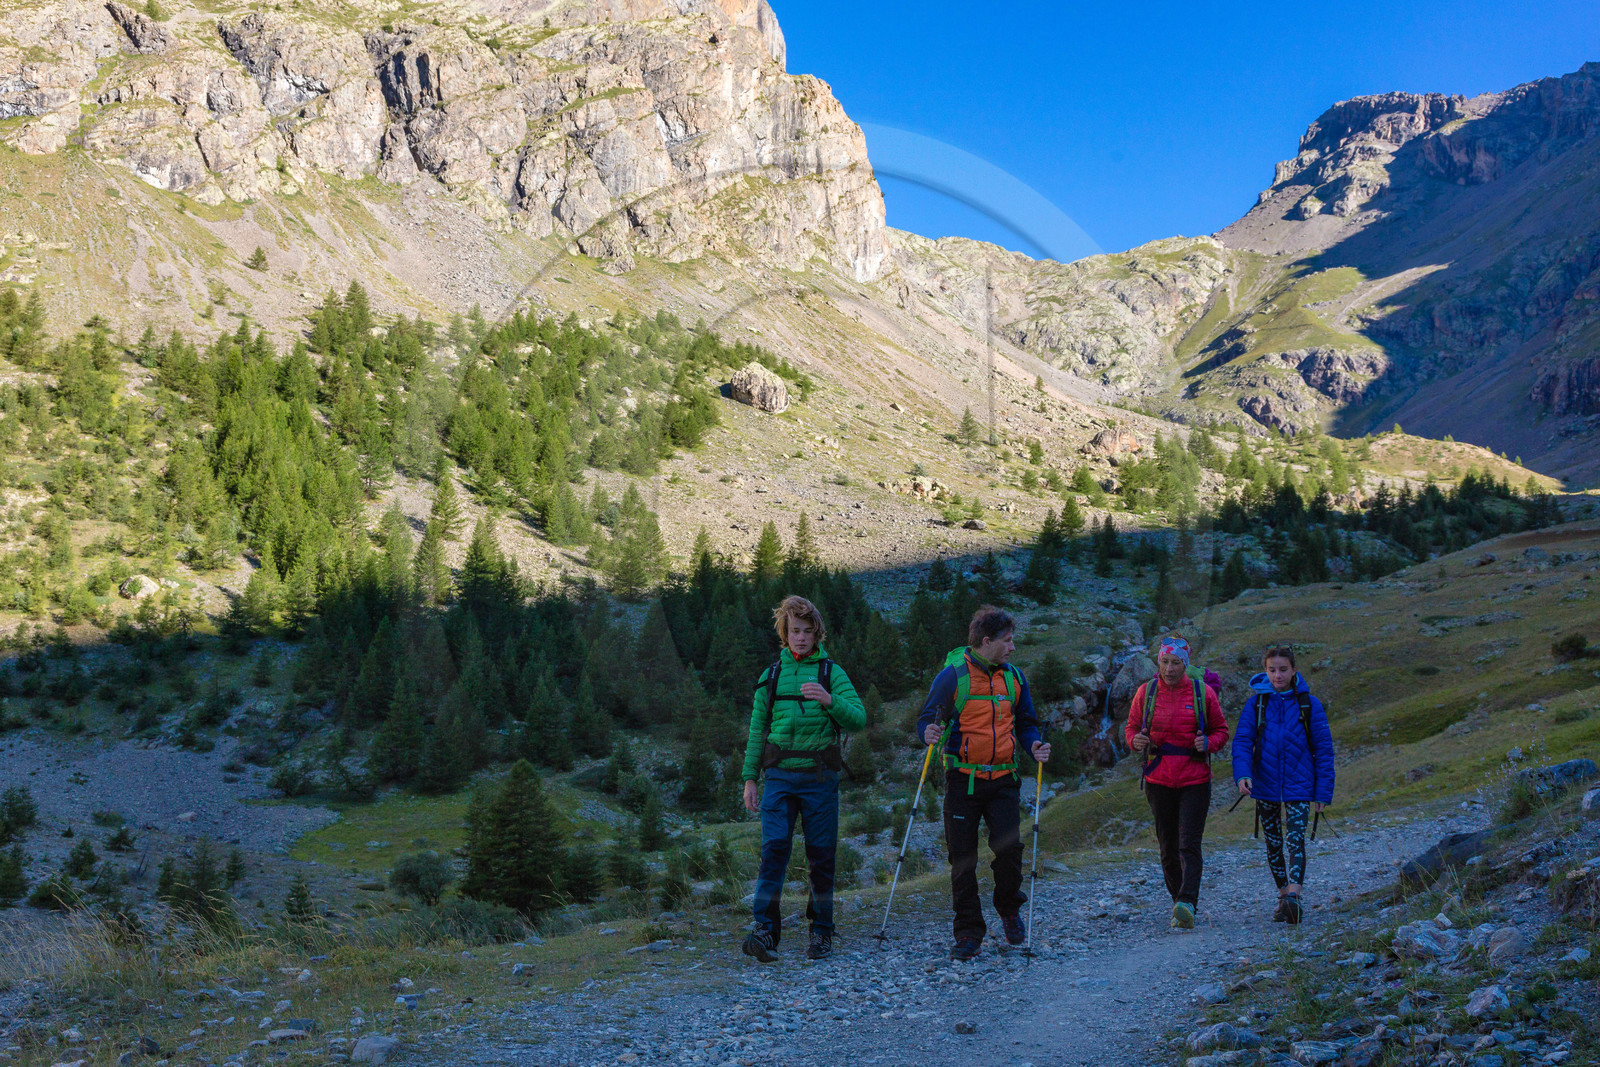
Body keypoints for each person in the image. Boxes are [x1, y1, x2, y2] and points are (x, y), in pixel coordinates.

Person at [916, 605, 1051, 960]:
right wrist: (926, 732)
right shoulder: (952, 677)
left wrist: (1034, 744)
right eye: (1007, 640)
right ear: (986, 641)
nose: (1013, 647)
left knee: (1008, 851)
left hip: (1004, 779)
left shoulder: (1015, 678)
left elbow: (1026, 723)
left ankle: (1008, 909)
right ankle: (968, 932)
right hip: (962, 780)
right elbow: (927, 718)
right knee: (962, 858)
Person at [740, 595, 865, 962]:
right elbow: (756, 730)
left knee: (821, 857)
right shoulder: (771, 675)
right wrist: (750, 779)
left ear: (817, 633)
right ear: (785, 632)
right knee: (773, 852)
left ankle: (822, 931)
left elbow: (858, 719)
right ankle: (765, 931)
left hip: (819, 779)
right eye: (795, 631)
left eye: (808, 631)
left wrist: (829, 700)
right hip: (778, 778)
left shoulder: (831, 673)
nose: (801, 638)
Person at [1125, 634, 1228, 930]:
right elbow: (1131, 727)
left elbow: (1221, 731)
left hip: (1195, 778)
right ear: (1158, 662)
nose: (1169, 669)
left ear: (1186, 664)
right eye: (1165, 662)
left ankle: (1187, 902)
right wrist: (1135, 740)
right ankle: (1178, 903)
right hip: (1158, 779)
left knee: (1189, 844)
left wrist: (1208, 743)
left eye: (1175, 663)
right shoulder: (1146, 692)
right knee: (1168, 847)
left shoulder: (1202, 693)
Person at [1230, 645, 1335, 925]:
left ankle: (1294, 897)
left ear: (1294, 670)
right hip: (1265, 785)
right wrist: (1242, 774)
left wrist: (1323, 792)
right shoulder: (1256, 704)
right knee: (1274, 843)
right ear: (1265, 671)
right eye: (1272, 670)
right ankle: (1283, 898)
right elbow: (1242, 742)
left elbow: (1324, 750)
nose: (1278, 675)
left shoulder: (1309, 704)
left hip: (1301, 786)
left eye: (1283, 669)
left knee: (1295, 839)